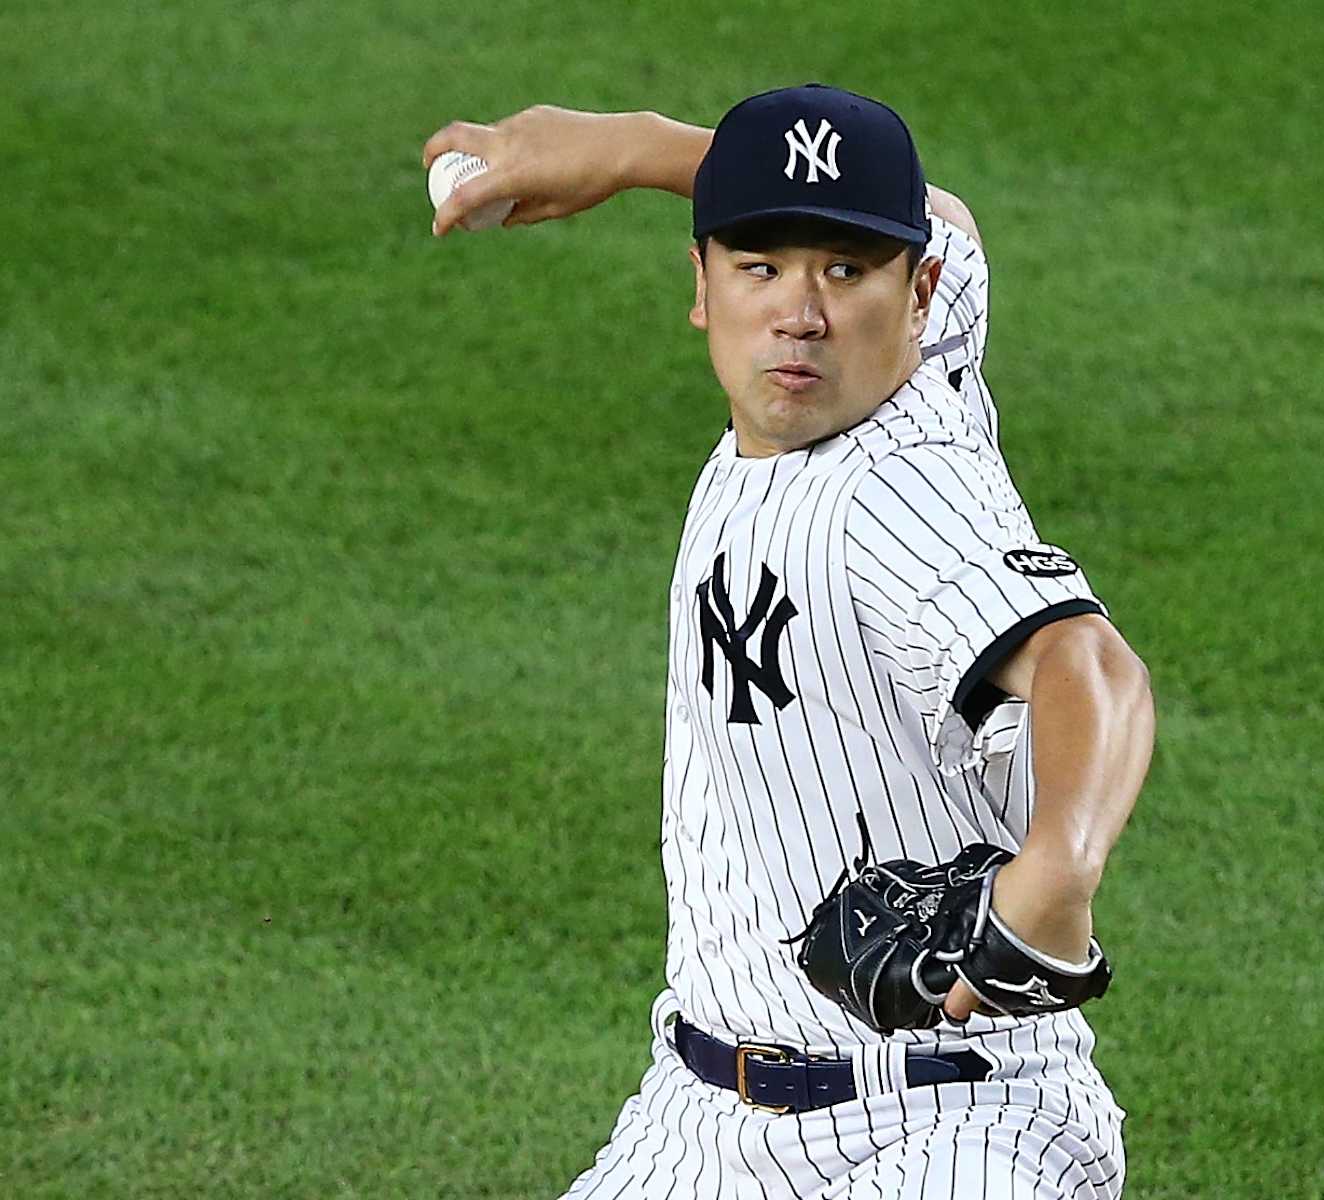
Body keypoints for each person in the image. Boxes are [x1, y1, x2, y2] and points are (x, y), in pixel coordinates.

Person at [423, 84, 1155, 1200]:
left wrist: (1056, 871)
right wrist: (634, 149)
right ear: (701, 286)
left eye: (846, 273)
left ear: (916, 297)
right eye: (761, 266)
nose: (801, 315)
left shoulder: (899, 493)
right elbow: (943, 214)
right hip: (701, 1126)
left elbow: (1090, 665)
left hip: (951, 1122)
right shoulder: (930, 341)